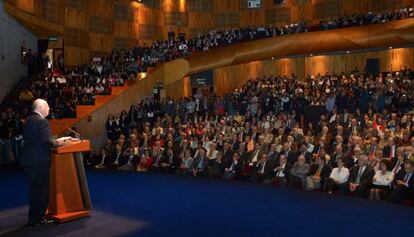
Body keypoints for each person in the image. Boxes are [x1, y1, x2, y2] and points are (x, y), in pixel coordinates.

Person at [20, 99, 62, 227]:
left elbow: (37, 139)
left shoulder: (29, 120)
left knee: (34, 191)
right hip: (39, 161)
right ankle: (39, 218)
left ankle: (33, 218)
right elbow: (46, 141)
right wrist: (58, 142)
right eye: (48, 106)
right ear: (41, 107)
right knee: (41, 191)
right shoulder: (42, 121)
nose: (49, 108)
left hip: (29, 160)